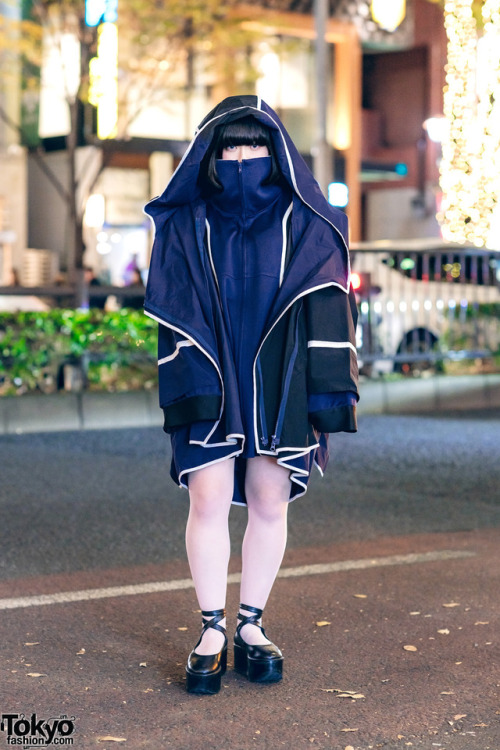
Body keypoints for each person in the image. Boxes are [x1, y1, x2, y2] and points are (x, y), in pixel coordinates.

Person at [144, 95, 359, 695]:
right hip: (211, 371)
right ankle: (211, 631)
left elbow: (328, 303)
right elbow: (174, 309)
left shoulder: (305, 222)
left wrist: (327, 395)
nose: (243, 159)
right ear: (211, 156)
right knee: (208, 497)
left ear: (278, 153)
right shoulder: (188, 223)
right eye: (231, 148)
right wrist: (186, 385)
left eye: (257, 148)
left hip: (279, 375)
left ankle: (251, 626)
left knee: (270, 497)